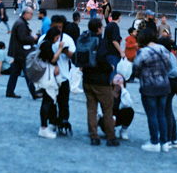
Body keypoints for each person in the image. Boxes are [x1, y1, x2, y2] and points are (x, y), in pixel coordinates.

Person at [132, 27, 171, 152]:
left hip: (149, 87)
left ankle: (154, 142)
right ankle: (164, 142)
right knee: (162, 114)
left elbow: (135, 69)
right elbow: (169, 66)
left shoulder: (142, 52)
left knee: (152, 114)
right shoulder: (164, 49)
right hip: (164, 85)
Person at [81, 18, 119, 147]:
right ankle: (111, 137)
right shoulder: (102, 42)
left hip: (87, 78)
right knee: (107, 109)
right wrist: (110, 68)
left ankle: (94, 136)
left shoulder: (85, 39)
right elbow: (102, 59)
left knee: (91, 108)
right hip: (101, 81)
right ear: (99, 28)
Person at [35, 27, 65, 139]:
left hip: (45, 75)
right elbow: (52, 59)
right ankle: (43, 128)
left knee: (47, 101)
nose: (57, 40)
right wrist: (60, 48)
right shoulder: (47, 44)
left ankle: (45, 126)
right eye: (57, 38)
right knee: (47, 101)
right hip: (47, 77)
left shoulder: (44, 42)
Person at [49, 15, 75, 135]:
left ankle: (64, 121)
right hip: (49, 77)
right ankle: (52, 122)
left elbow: (74, 57)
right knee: (51, 102)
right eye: (56, 27)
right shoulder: (44, 39)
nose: (58, 29)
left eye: (60, 27)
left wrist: (66, 51)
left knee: (64, 103)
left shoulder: (68, 39)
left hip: (64, 77)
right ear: (51, 26)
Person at [6, 6, 38, 99]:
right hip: (21, 53)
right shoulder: (21, 24)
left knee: (15, 72)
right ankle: (33, 93)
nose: (32, 15)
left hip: (18, 52)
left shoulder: (20, 22)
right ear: (26, 13)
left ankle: (10, 91)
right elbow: (23, 38)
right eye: (31, 13)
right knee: (27, 73)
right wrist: (33, 38)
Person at [112, 74, 134, 140]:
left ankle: (123, 130)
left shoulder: (124, 92)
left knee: (130, 111)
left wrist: (123, 89)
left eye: (121, 79)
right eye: (116, 78)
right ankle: (110, 130)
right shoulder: (108, 91)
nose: (118, 80)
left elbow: (129, 104)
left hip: (118, 115)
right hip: (107, 116)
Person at [105, 10, 123, 74]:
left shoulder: (108, 25)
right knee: (113, 71)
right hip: (113, 52)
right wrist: (121, 52)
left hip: (107, 50)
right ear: (119, 17)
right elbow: (114, 41)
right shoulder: (115, 27)